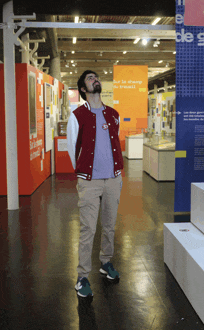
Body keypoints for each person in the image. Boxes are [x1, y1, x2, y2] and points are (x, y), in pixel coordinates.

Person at [67, 70, 124, 300]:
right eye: (90, 78)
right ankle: (82, 277)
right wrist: (82, 174)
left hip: (113, 179)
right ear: (83, 89)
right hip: (89, 181)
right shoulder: (77, 116)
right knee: (88, 229)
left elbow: (115, 142)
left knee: (109, 225)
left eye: (96, 77)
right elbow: (73, 149)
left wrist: (115, 173)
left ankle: (106, 262)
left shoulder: (113, 114)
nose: (95, 79)